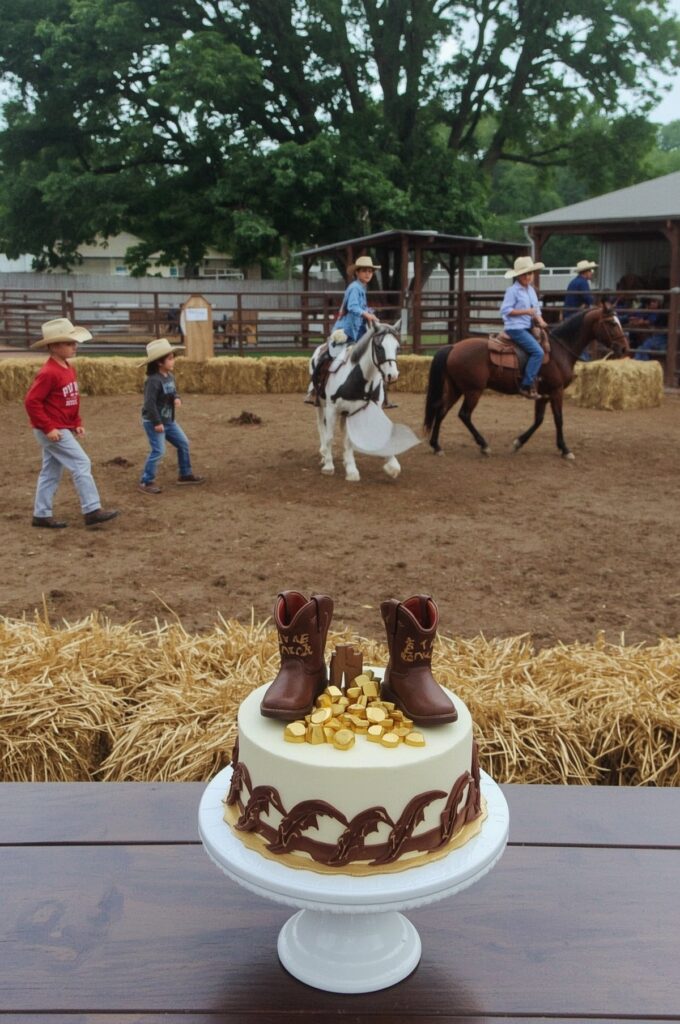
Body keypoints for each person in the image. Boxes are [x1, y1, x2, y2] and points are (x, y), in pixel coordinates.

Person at [24, 318, 120, 529]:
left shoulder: (68, 368)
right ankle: (92, 509)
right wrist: (48, 428)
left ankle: (41, 514)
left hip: (59, 428)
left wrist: (76, 422)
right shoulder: (48, 372)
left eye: (74, 342)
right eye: (69, 343)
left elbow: (71, 399)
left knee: (51, 472)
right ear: (53, 346)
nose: (74, 346)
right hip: (52, 429)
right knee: (81, 462)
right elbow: (32, 401)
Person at [305, 255, 380, 403]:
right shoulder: (355, 288)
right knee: (331, 355)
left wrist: (370, 313)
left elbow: (360, 308)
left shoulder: (360, 288)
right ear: (357, 272)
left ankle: (373, 392)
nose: (368, 274)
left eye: (370, 271)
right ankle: (315, 387)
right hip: (346, 330)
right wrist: (367, 314)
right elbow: (352, 307)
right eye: (364, 271)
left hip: (358, 331)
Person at [138, 337, 205, 493]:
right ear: (159, 362)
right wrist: (157, 422)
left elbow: (173, 391)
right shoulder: (153, 381)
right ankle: (146, 481)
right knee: (158, 451)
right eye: (170, 358)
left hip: (168, 420)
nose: (173, 361)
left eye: (172, 357)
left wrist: (176, 397)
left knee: (183, 443)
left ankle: (185, 474)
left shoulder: (169, 377)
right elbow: (149, 404)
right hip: (154, 422)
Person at [500, 256, 548, 399]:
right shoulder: (512, 291)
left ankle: (537, 377)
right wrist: (525, 312)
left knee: (546, 345)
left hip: (527, 326)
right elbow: (505, 310)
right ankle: (526, 384)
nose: (527, 277)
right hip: (515, 328)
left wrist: (542, 322)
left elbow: (536, 310)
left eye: (530, 273)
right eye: (524, 274)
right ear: (518, 276)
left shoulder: (531, 290)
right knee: (538, 352)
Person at [630, 296, 667, 360]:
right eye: (651, 302)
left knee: (644, 347)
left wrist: (642, 322)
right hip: (654, 336)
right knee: (641, 346)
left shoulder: (660, 313)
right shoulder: (650, 312)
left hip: (661, 337)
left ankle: (640, 363)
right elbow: (643, 318)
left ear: (659, 303)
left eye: (654, 302)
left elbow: (650, 321)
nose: (652, 303)